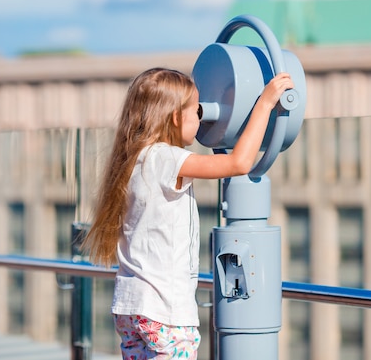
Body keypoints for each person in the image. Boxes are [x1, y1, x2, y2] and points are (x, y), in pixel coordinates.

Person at [82, 67, 294, 360]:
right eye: (196, 112)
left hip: (130, 309)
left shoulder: (133, 158)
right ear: (175, 117)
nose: (202, 118)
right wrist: (265, 104)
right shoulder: (167, 159)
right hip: (165, 310)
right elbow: (239, 163)